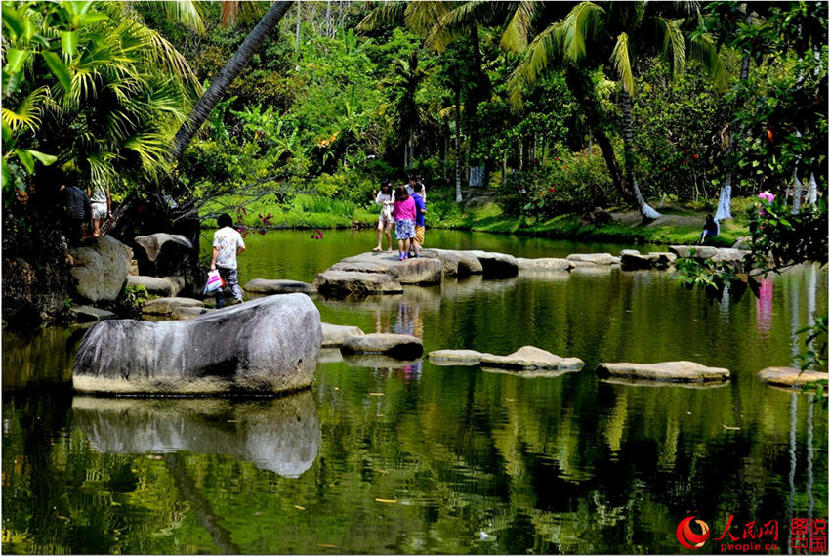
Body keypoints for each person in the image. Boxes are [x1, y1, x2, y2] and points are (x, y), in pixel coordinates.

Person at [210, 213, 246, 308]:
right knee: (234, 284)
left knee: (218, 285)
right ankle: (238, 297)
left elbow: (216, 249)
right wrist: (235, 255)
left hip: (220, 264)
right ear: (230, 222)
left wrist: (213, 263)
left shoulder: (218, 233)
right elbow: (242, 247)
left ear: (220, 222)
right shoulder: (235, 233)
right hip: (232, 264)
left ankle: (220, 305)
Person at [393, 185, 416, 261]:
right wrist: (414, 219)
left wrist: (395, 219)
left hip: (399, 220)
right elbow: (414, 211)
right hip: (409, 220)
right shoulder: (411, 199)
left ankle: (400, 255)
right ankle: (406, 255)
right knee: (407, 238)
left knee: (399, 238)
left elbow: (395, 211)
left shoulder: (397, 200)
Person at [373, 180, 395, 251]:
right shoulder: (380, 193)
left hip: (391, 214)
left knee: (387, 232)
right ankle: (379, 246)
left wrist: (388, 202)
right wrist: (374, 194)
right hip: (383, 212)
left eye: (386, 186)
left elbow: (396, 202)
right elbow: (376, 202)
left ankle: (390, 247)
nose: (385, 188)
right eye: (383, 186)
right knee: (379, 229)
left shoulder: (393, 192)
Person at [411, 183, 427, 257]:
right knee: (417, 239)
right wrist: (426, 212)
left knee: (411, 238)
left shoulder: (410, 197)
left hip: (410, 221)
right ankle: (417, 255)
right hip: (419, 221)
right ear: (421, 190)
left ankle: (407, 253)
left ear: (413, 189)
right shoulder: (418, 199)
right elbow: (422, 210)